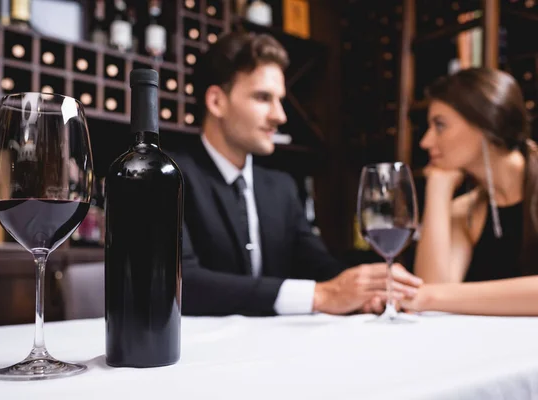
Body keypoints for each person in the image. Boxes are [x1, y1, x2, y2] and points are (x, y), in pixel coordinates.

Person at [173, 31, 422, 317]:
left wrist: (365, 293)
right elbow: (182, 283)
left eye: (280, 100)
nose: (280, 116)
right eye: (263, 97)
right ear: (217, 101)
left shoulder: (280, 187)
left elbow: (321, 268)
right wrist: (321, 295)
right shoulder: (169, 179)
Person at [402, 67, 538, 316]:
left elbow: (430, 296)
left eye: (440, 125)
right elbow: (430, 300)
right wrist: (438, 189)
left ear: (486, 122)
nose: (426, 142)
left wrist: (434, 296)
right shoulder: (466, 211)